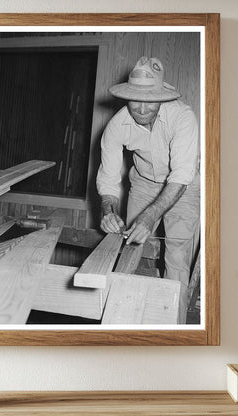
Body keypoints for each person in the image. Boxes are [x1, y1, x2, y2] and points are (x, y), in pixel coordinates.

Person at [96, 56, 200, 287]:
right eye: (135, 100)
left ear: (161, 97)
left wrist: (150, 215)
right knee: (131, 246)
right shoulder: (115, 126)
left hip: (184, 185)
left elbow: (182, 175)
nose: (142, 109)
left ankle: (172, 319)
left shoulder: (183, 117)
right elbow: (109, 180)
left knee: (177, 256)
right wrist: (108, 212)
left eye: (150, 101)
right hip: (143, 183)